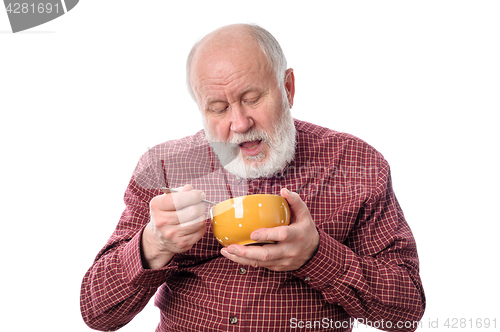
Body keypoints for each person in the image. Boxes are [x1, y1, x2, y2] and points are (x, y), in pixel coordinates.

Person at [80, 24, 425, 332]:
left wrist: (316, 255)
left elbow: (405, 313)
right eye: (218, 107)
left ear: (288, 88)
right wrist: (153, 245)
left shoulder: (355, 163)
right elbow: (97, 313)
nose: (240, 123)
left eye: (252, 98)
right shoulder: (164, 166)